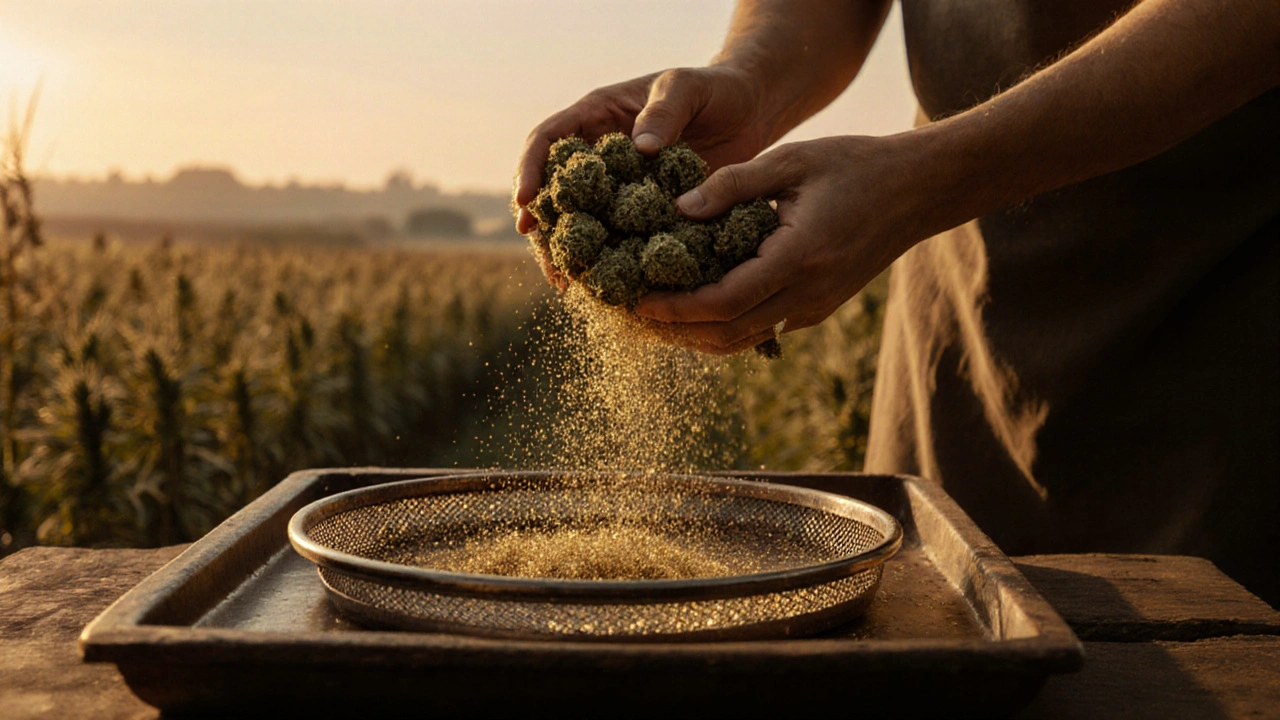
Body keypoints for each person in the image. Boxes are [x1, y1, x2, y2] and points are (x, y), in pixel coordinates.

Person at [513, 0, 1280, 605]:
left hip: (1219, 321)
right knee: (936, 620)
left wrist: (929, 180)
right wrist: (753, 77)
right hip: (960, 304)